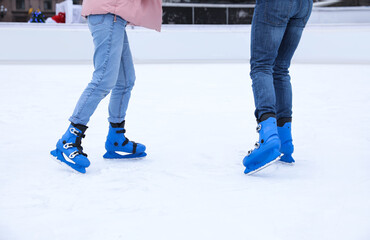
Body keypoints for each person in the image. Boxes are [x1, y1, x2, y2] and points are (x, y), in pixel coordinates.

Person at [50, 0, 162, 174]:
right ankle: (69, 139)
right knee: (103, 79)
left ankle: (116, 138)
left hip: (116, 16)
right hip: (108, 12)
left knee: (125, 81)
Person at [243, 0, 313, 175]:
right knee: (280, 68)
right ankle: (284, 140)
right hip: (304, 4)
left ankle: (268, 137)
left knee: (262, 66)